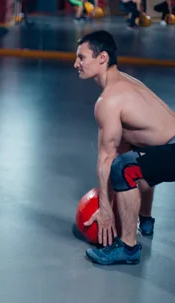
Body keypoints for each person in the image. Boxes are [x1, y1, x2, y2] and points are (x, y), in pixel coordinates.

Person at [73, 30, 175, 265]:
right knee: (136, 160)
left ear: (102, 58)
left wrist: (106, 210)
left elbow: (107, 159)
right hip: (169, 146)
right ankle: (145, 220)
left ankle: (128, 247)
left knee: (125, 169)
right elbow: (132, 147)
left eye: (81, 57)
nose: (76, 64)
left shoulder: (108, 101)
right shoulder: (127, 81)